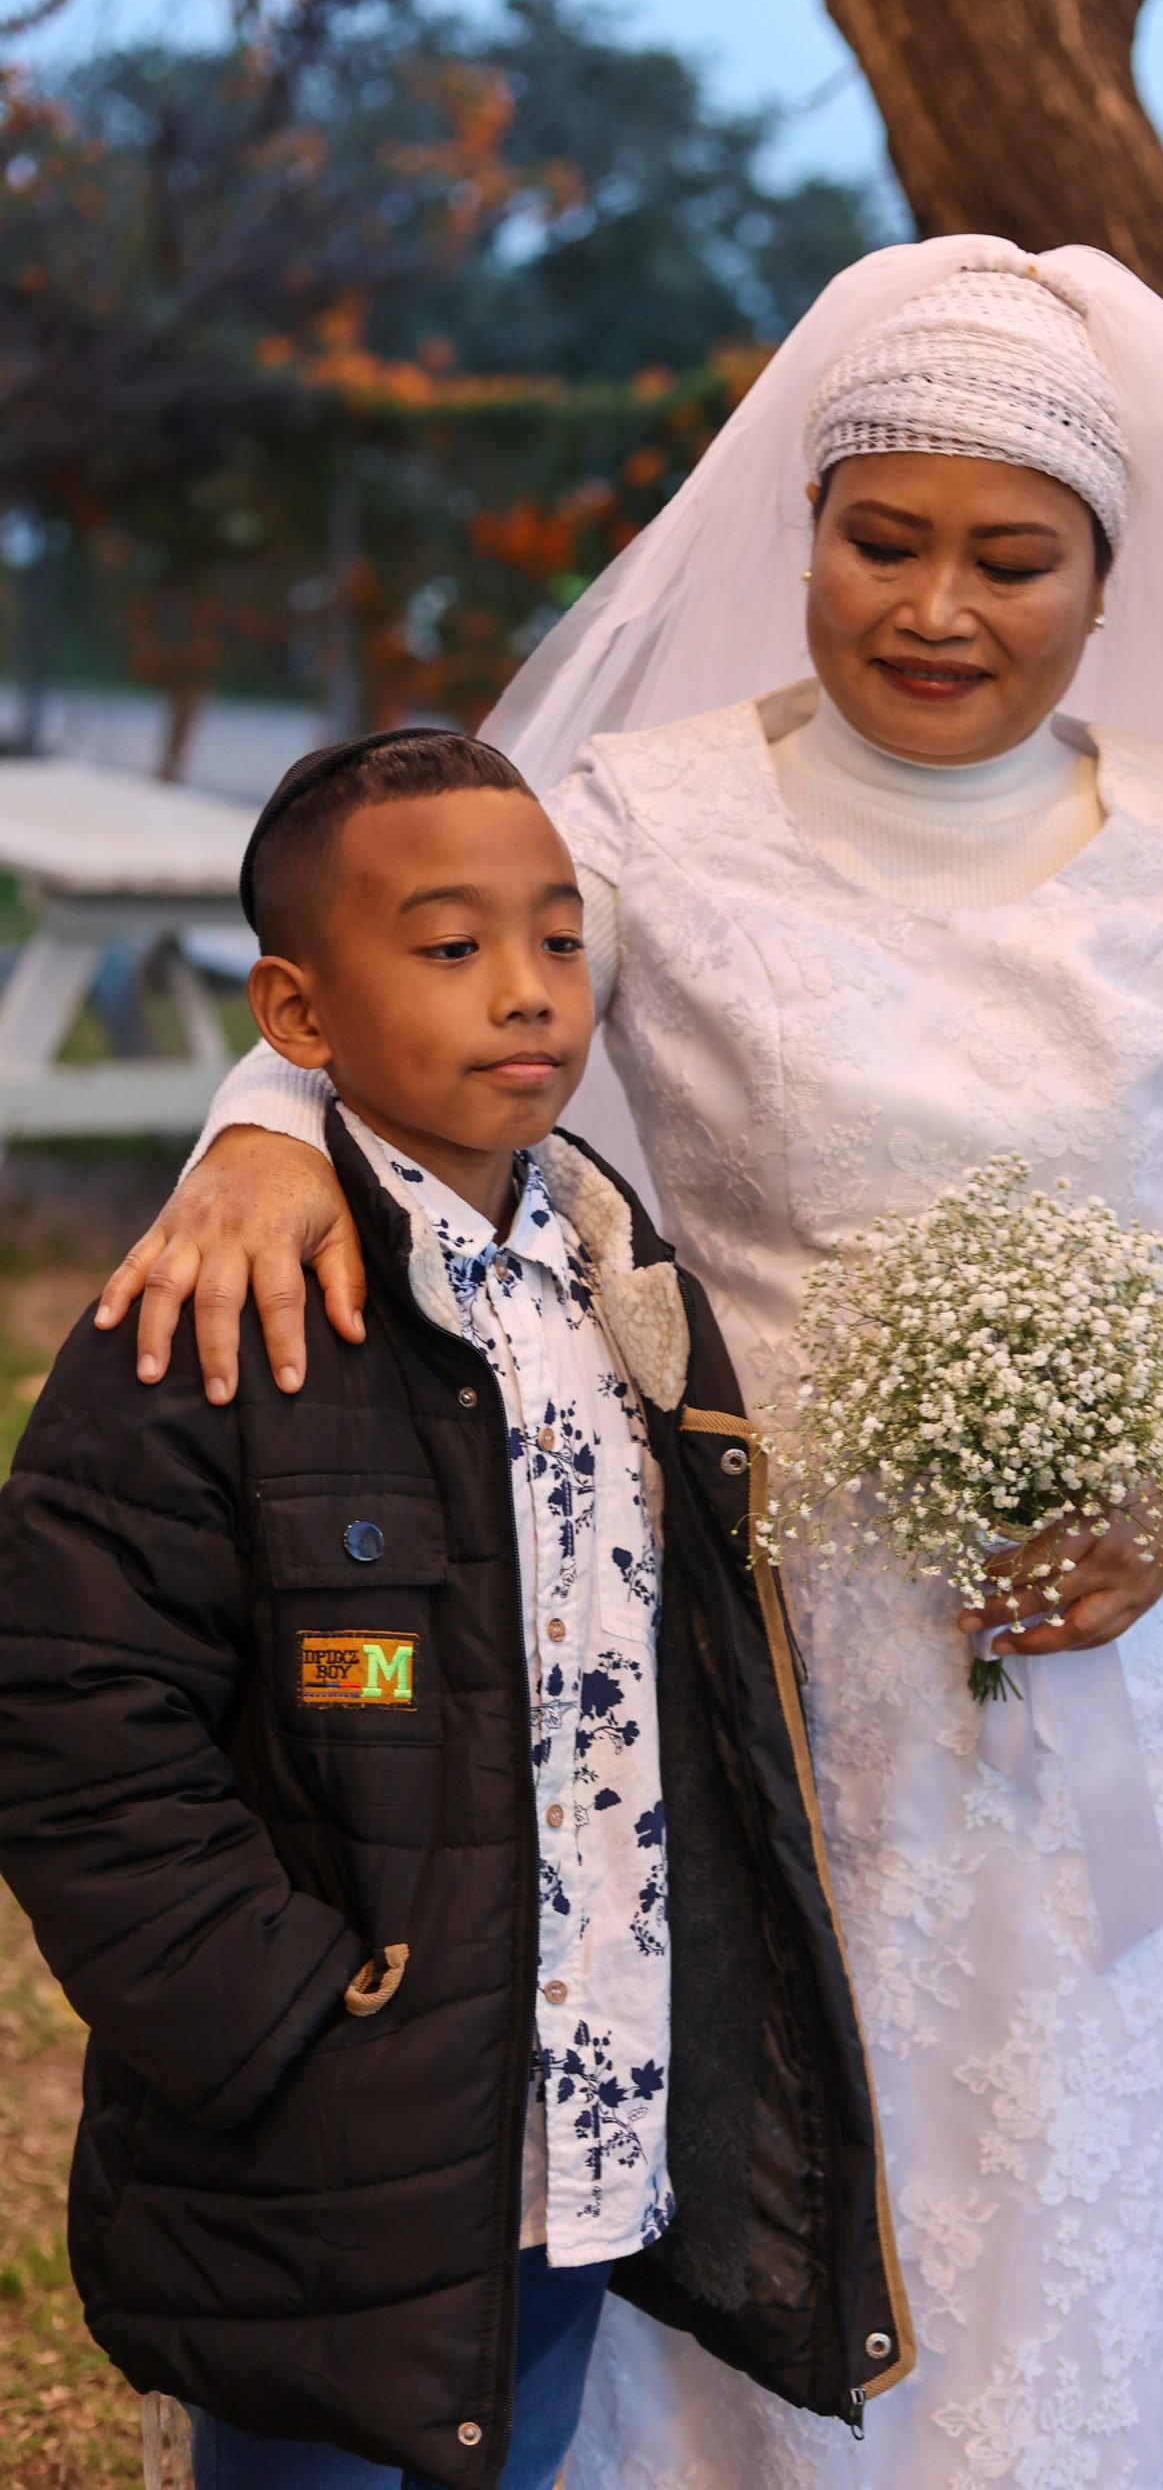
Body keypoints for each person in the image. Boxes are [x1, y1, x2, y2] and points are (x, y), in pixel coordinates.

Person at [98, 244, 1163, 2487]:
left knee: (1049, 2198)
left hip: (1091, 1644)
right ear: (801, 528)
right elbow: (413, 984)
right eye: (880, 539)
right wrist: (250, 1133)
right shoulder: (643, 813)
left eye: (1012, 560)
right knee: (720, 2175)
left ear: (1103, 579)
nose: (935, 607)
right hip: (722, 1650)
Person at [0, 730, 908, 2490]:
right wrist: (282, 2019)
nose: (526, 990)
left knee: (520, 2455)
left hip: (584, 2105)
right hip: (330, 2132)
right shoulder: (225, 1309)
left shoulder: (623, 1287)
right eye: (448, 946)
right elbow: (68, 1710)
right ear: (297, 1009)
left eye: (560, 939)